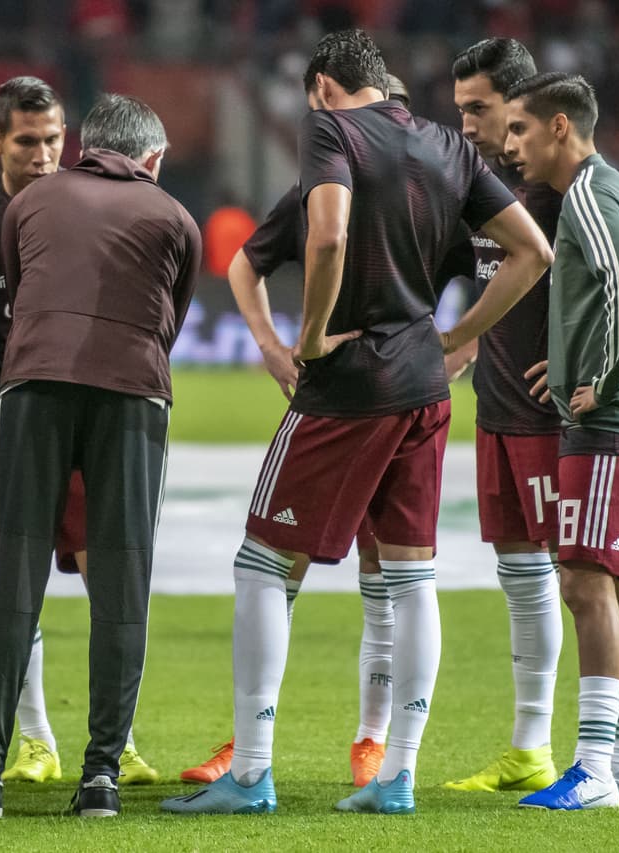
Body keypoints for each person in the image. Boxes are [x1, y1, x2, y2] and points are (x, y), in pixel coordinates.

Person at [162, 29, 552, 817]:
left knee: (262, 563)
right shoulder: (449, 145)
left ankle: (252, 771)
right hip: (423, 386)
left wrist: (306, 338)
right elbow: (532, 251)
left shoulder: (329, 130)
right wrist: (456, 335)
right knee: (410, 577)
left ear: (322, 88)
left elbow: (330, 233)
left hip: (350, 382)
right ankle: (397, 775)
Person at [0, 93, 201, 819]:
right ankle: (101, 778)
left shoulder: (30, 203)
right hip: (134, 392)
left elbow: (23, 291)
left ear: (86, 146)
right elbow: (170, 319)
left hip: (32, 386)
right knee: (122, 583)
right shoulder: (175, 216)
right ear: (152, 157)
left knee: (14, 578)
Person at [178, 70, 425, 791]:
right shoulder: (325, 187)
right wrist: (269, 343)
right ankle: (250, 740)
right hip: (337, 390)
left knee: (383, 573)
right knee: (282, 566)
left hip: (399, 393)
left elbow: (500, 258)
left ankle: (372, 741)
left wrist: (461, 339)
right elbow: (245, 263)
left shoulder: (431, 188)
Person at [504, 72, 619, 811]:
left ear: (559, 127)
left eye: (519, 128)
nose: (510, 145)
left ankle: (593, 772)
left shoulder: (586, 193)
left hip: (610, 426)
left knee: (584, 584)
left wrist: (611, 377)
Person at [440, 37, 567, 795]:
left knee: (583, 585)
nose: (465, 124)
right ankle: (529, 749)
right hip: (498, 412)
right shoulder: (481, 185)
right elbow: (487, 281)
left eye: (478, 109)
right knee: (520, 576)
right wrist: (461, 351)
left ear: (518, 105)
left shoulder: (564, 185)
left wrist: (611, 369)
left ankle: (602, 753)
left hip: (554, 422)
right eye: (459, 109)